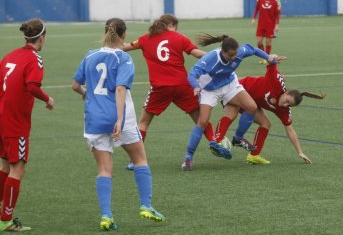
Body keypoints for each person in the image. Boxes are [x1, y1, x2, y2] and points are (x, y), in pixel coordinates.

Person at [71, 18, 165, 231]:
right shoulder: (123, 57)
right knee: (140, 159)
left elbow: (75, 84)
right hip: (120, 120)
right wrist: (120, 119)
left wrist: (87, 94)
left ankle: (106, 216)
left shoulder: (90, 55)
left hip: (94, 120)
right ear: (123, 34)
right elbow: (121, 89)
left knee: (104, 169)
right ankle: (146, 206)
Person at [122, 14, 214, 170]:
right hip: (182, 86)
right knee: (200, 119)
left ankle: (135, 161)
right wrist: (216, 57)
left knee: (144, 123)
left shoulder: (145, 38)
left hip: (160, 87)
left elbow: (125, 47)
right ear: (171, 25)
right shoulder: (179, 38)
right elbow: (196, 53)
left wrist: (108, 46)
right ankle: (214, 142)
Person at [182, 33, 279, 171]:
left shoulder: (239, 52)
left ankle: (238, 138)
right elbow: (193, 74)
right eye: (230, 56)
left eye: (235, 55)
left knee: (251, 107)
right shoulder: (211, 58)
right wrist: (196, 86)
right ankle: (188, 157)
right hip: (209, 89)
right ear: (223, 51)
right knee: (203, 121)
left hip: (229, 84)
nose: (234, 58)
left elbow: (253, 49)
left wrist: (269, 57)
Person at [0, 18, 54, 231]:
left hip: (2, 117)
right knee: (17, 170)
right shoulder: (35, 58)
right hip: (15, 122)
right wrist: (48, 99)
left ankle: (2, 214)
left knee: (5, 166)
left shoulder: (10, 55)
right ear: (42, 37)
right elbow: (32, 86)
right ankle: (6, 220)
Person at [214, 62, 326, 165]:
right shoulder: (276, 84)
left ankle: (254, 155)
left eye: (289, 105)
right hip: (238, 88)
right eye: (287, 101)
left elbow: (290, 130)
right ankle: (217, 141)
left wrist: (300, 152)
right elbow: (271, 64)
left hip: (252, 103)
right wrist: (272, 58)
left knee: (266, 124)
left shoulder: (284, 110)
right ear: (285, 92)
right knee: (232, 114)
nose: (285, 105)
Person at [251, 0, 281, 64]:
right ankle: (264, 57)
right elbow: (256, 9)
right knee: (259, 42)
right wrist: (253, 18)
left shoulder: (275, 2)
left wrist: (277, 25)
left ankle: (267, 59)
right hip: (261, 24)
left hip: (270, 25)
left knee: (268, 42)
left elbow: (277, 15)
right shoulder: (261, 0)